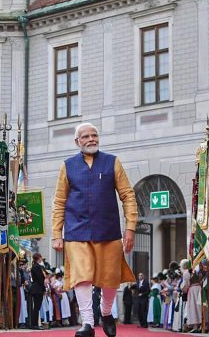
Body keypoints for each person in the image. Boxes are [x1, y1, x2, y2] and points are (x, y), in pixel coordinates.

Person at [52, 122, 138, 337]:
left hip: (108, 230)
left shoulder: (112, 162)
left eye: (94, 135)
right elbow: (59, 201)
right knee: (82, 276)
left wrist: (130, 228)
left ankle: (107, 312)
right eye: (85, 137)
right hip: (76, 230)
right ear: (77, 142)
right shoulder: (68, 166)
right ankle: (88, 323)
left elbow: (128, 195)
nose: (91, 139)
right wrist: (56, 234)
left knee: (110, 278)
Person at [29, 252, 46, 330]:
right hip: (37, 289)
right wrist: (44, 289)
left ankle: (35, 323)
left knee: (36, 307)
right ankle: (34, 324)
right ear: (38, 258)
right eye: (40, 257)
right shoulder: (36, 267)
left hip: (37, 288)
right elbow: (40, 279)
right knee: (36, 307)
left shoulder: (36, 266)